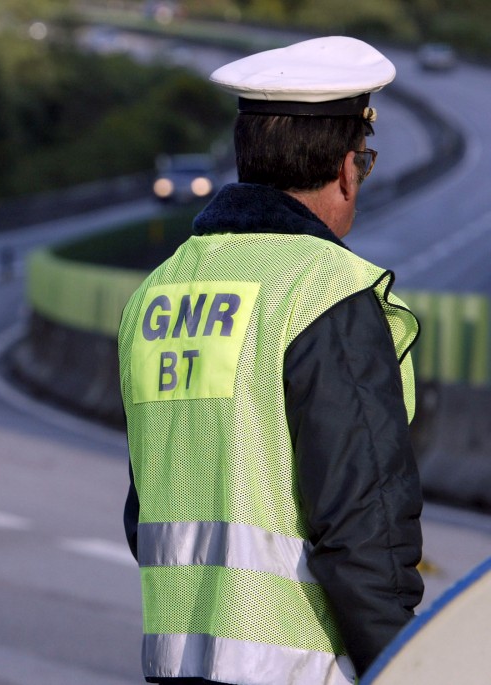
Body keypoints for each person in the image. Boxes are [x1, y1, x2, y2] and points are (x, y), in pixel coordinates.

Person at [118, 36, 424, 685]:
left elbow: (145, 506)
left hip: (176, 664)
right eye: (362, 164)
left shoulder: (159, 292)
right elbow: (363, 531)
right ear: (347, 167)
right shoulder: (326, 292)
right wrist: (409, 669)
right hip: (300, 668)